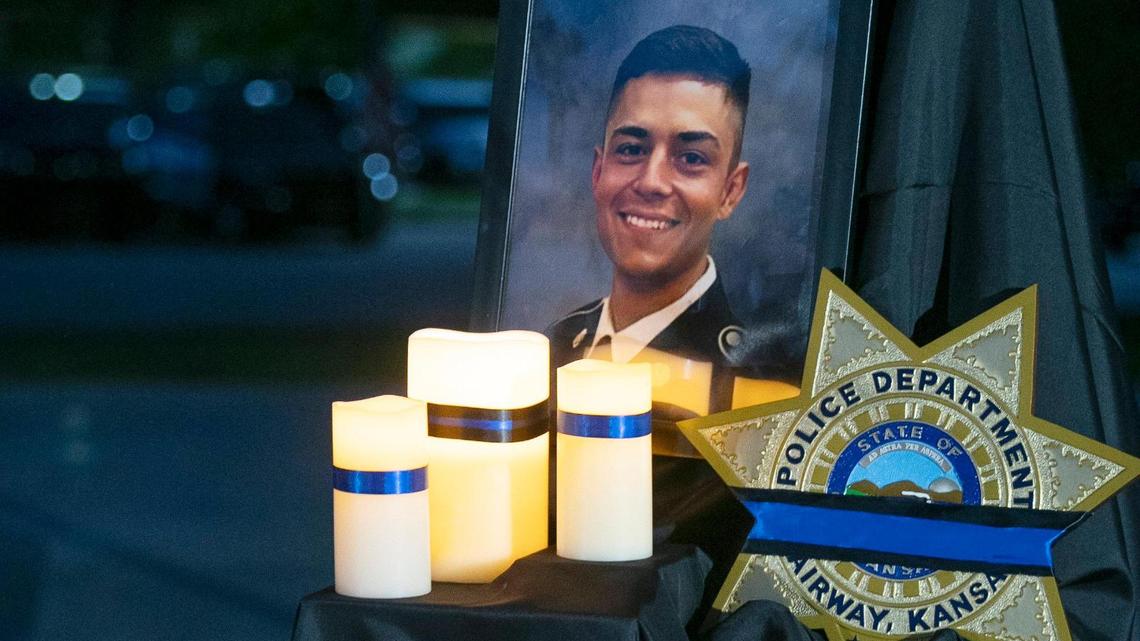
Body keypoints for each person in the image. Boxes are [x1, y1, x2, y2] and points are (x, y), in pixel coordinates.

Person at [547, 25, 797, 424]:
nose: (651, 181)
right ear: (598, 171)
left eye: (692, 158)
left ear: (730, 191)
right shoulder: (549, 348)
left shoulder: (761, 389)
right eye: (631, 149)